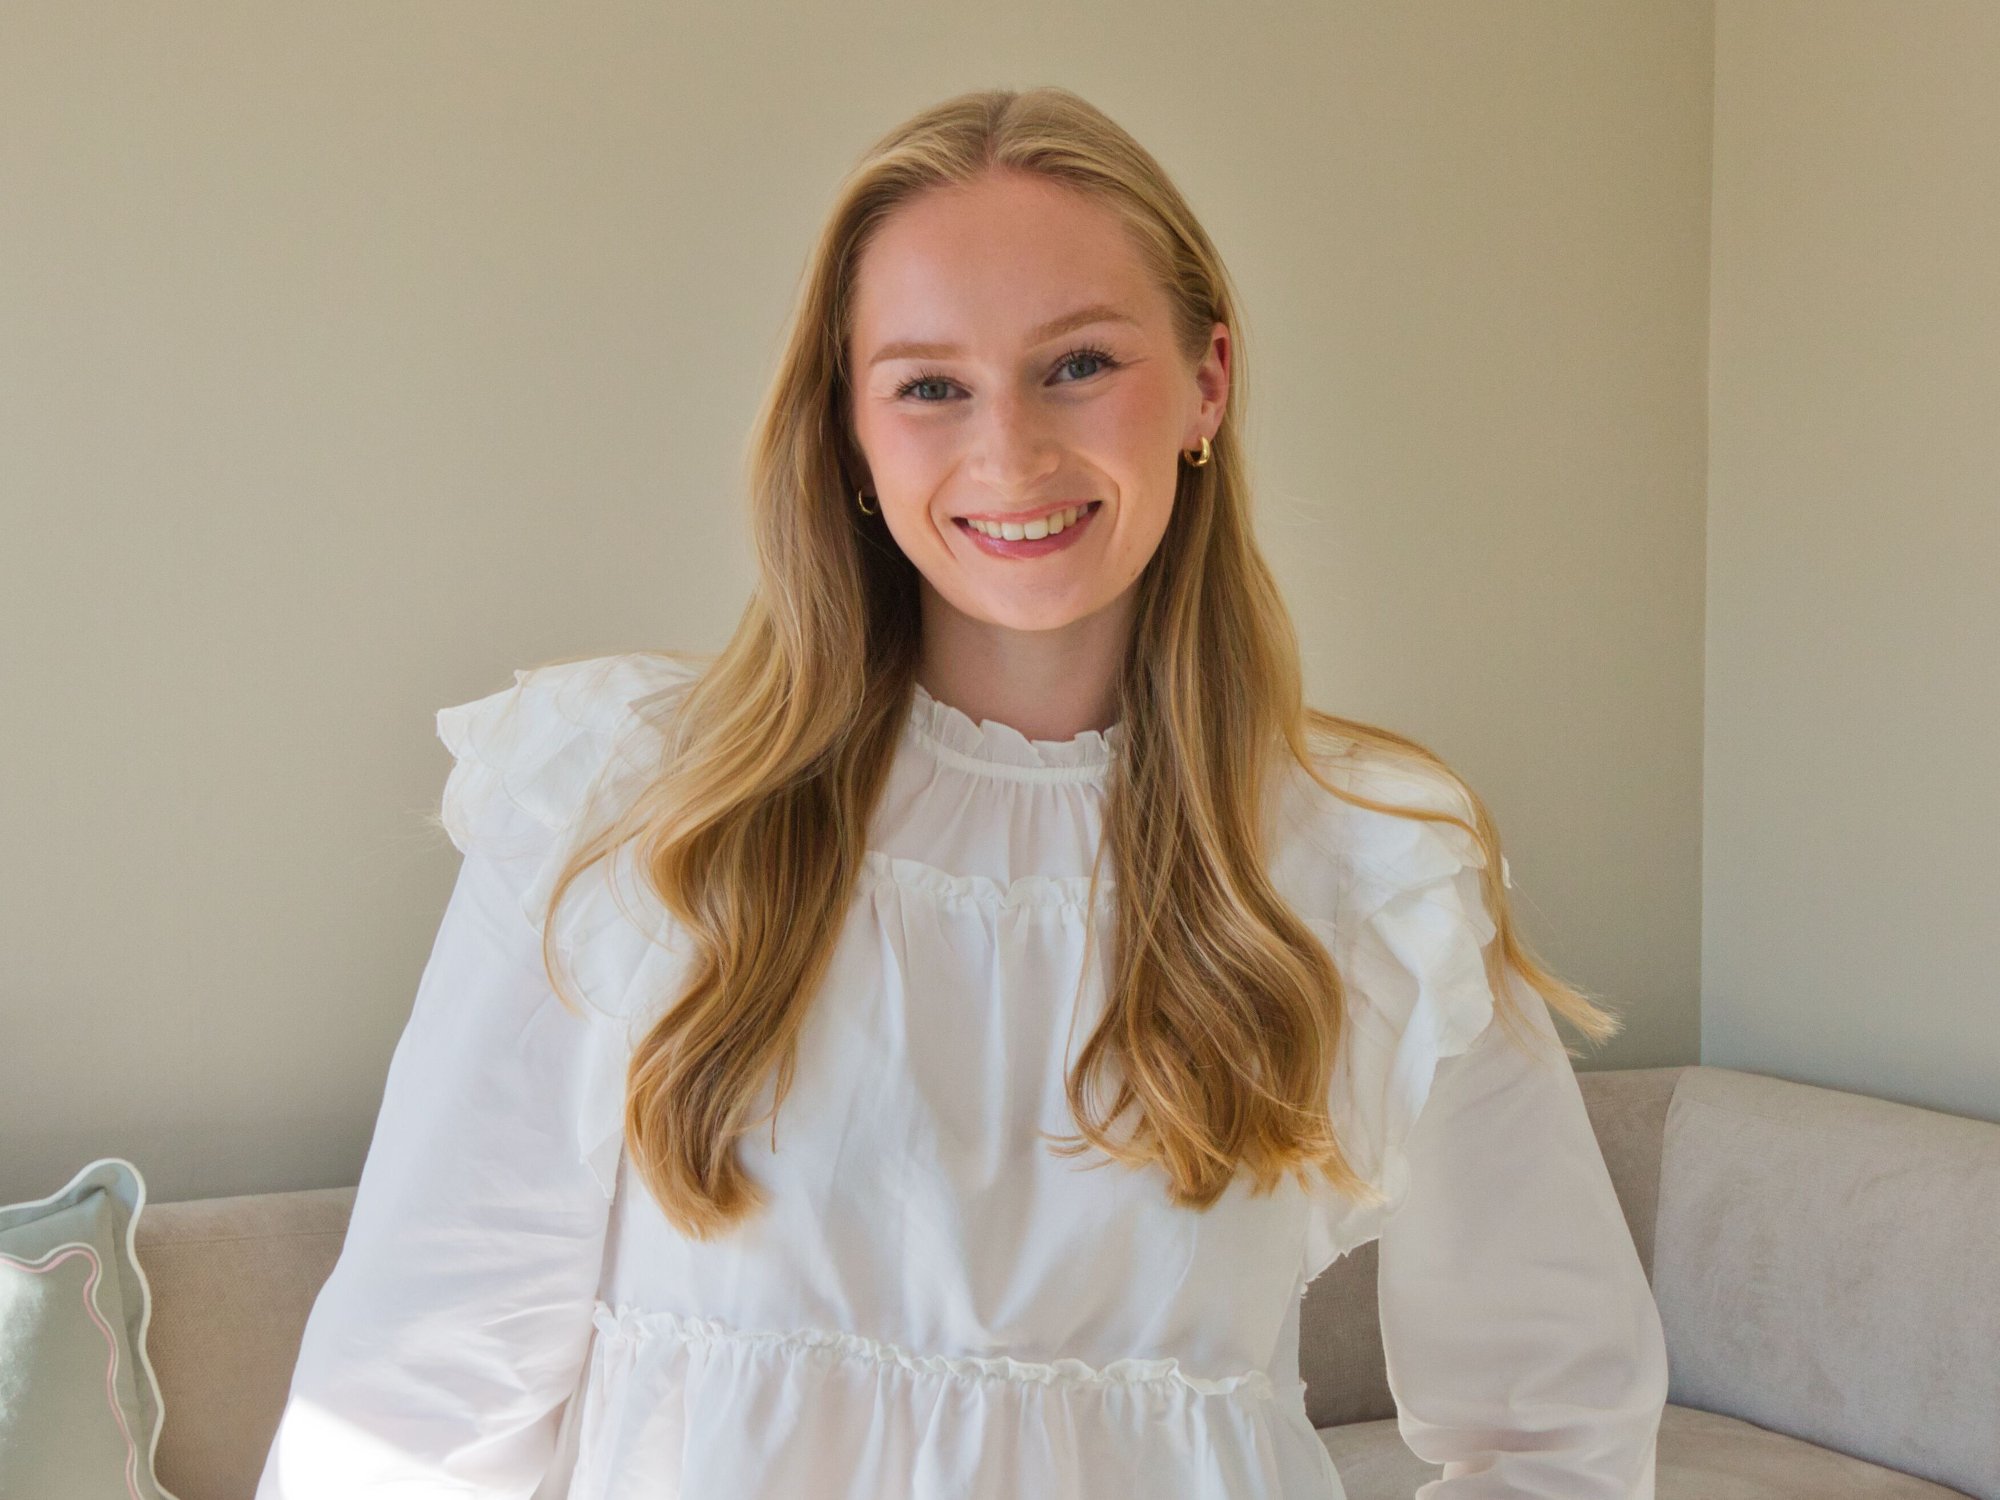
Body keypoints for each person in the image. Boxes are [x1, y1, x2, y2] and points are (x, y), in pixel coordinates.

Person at [255, 86, 1668, 1500]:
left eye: (1079, 364)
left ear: (1208, 383)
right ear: (849, 428)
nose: (1010, 452)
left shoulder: (1373, 866)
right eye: (931, 385)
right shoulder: (628, 805)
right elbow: (414, 1402)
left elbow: (1560, 1427)